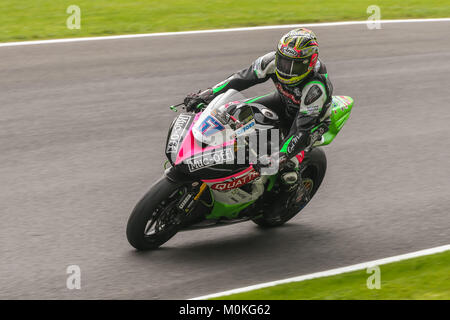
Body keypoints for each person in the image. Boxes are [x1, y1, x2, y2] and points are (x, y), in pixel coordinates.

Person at [184, 28, 333, 221]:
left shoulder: (315, 88)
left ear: (309, 63)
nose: (286, 69)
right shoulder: (270, 61)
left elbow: (301, 129)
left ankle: (294, 192)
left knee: (285, 168)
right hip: (283, 102)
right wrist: (207, 94)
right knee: (233, 112)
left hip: (310, 122)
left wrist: (281, 156)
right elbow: (239, 79)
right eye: (283, 61)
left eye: (293, 66)